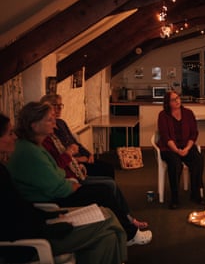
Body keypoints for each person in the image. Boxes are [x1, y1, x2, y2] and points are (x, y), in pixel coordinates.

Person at [6, 102, 152, 246]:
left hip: (56, 189)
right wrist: (72, 184)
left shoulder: (34, 146)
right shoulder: (30, 151)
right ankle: (130, 234)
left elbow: (56, 171)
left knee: (105, 184)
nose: (53, 122)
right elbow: (57, 185)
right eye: (49, 119)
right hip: (51, 201)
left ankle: (126, 227)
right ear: (34, 125)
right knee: (104, 191)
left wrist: (70, 175)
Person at [0, 113, 128, 264]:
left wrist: (49, 216)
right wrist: (48, 226)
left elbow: (19, 208)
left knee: (109, 236)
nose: (14, 137)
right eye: (9, 133)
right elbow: (9, 223)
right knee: (108, 218)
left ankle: (128, 237)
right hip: (28, 242)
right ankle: (129, 237)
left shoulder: (5, 167)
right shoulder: (21, 156)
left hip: (38, 225)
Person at [42, 131, 148, 230]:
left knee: (109, 179)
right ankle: (125, 223)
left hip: (76, 173)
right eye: (49, 119)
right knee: (108, 186)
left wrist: (83, 159)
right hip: (70, 183)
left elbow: (75, 145)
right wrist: (74, 162)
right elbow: (57, 169)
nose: (53, 122)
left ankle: (126, 218)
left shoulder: (55, 132)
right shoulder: (43, 144)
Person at [40, 94, 115, 178]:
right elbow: (59, 158)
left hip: (80, 158)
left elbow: (74, 142)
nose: (59, 108)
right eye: (55, 105)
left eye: (60, 105)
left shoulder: (61, 123)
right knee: (106, 170)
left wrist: (88, 154)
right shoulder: (47, 132)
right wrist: (80, 159)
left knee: (108, 167)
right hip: (72, 163)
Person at [157, 90, 205, 209]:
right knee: (175, 164)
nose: (177, 101)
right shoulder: (163, 115)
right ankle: (175, 198)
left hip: (186, 145)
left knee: (198, 160)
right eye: (174, 99)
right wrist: (177, 151)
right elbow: (165, 136)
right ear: (168, 103)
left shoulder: (188, 113)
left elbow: (194, 133)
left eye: (178, 98)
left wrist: (187, 148)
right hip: (169, 148)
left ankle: (195, 194)